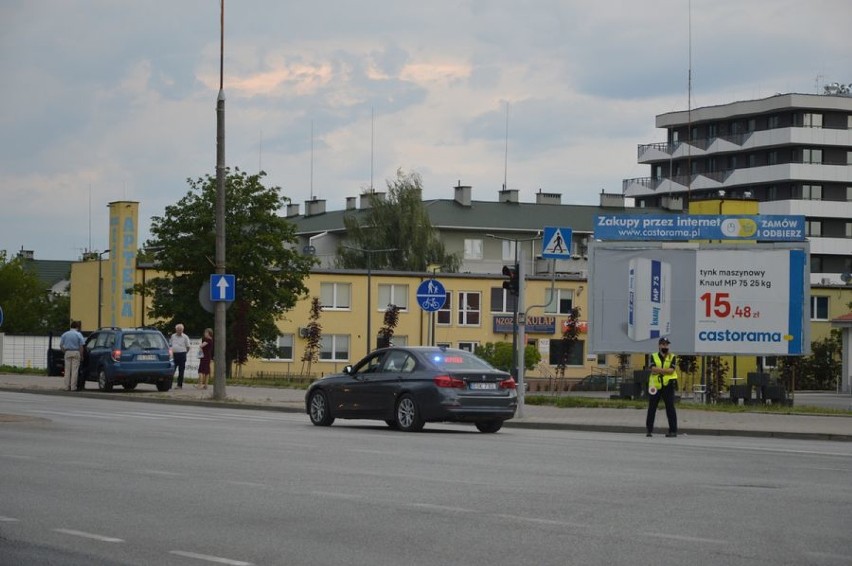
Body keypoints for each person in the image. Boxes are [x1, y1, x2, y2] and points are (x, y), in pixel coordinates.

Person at [646, 337, 678, 437]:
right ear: (659, 345)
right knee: (652, 408)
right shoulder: (653, 356)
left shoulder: (672, 357)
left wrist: (658, 370)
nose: (665, 346)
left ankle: (673, 431)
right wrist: (664, 370)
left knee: (670, 408)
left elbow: (671, 370)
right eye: (663, 344)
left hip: (668, 385)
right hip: (655, 385)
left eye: (667, 344)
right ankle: (649, 430)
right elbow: (652, 368)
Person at [59, 321, 85, 391]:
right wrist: (81, 355)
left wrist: (64, 352)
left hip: (67, 352)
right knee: (74, 371)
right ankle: (73, 387)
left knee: (67, 370)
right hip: (76, 352)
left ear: (71, 326)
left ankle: (66, 387)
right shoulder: (78, 334)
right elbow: (81, 346)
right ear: (77, 327)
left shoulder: (65, 334)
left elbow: (61, 345)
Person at [170, 323, 191, 389]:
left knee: (181, 371)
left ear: (183, 330)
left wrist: (185, 353)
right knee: (172, 370)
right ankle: (169, 384)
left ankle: (179, 385)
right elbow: (170, 345)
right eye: (178, 329)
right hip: (174, 355)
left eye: (181, 329)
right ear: (176, 330)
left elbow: (188, 347)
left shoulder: (185, 337)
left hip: (182, 354)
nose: (179, 331)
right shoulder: (173, 336)